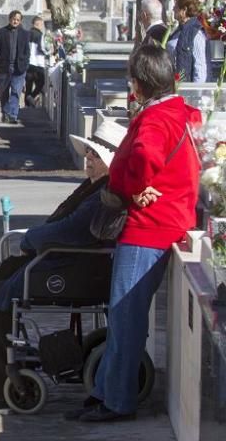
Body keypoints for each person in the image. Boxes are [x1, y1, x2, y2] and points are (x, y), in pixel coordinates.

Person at [69, 45, 201, 422]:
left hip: (149, 227)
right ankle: (107, 390)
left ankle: (117, 399)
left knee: (125, 316)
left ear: (140, 84)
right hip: (165, 220)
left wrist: (130, 188)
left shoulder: (156, 120)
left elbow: (143, 157)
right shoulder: (177, 112)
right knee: (124, 316)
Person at [0, 121, 127, 414]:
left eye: (95, 155)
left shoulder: (102, 194)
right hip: (65, 261)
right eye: (89, 153)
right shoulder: (94, 188)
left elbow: (71, 232)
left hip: (71, 266)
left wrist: (30, 238)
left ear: (108, 162)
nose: (88, 159)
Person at [0, 10, 30, 124]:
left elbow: (27, 51)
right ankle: (5, 112)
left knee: (15, 92)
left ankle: (12, 115)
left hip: (19, 68)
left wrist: (25, 64)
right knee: (3, 93)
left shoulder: (25, 33)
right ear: (10, 19)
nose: (15, 21)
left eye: (18, 20)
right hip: (3, 67)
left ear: (20, 21)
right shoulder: (1, 32)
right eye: (14, 19)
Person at [166, 0, 208, 83]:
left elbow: (200, 67)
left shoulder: (196, 34)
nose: (173, 9)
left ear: (184, 10)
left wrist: (196, 93)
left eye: (176, 7)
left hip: (186, 88)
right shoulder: (178, 31)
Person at [24, 16, 47, 107]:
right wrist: (49, 52)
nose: (42, 26)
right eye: (41, 24)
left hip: (28, 62)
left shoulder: (27, 34)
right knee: (41, 83)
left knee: (28, 85)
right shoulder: (40, 35)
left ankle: (27, 105)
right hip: (38, 63)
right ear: (37, 23)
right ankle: (31, 97)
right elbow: (41, 49)